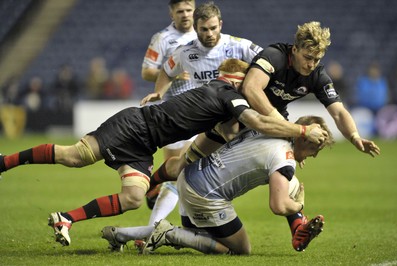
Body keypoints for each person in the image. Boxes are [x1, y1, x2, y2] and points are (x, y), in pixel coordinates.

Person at [0, 59, 327, 247]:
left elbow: (216, 138)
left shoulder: (225, 106)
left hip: (146, 145)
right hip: (133, 125)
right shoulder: (225, 93)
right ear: (236, 80)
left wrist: (162, 177)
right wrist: (299, 130)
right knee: (76, 156)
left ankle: (66, 219)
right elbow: (252, 118)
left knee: (132, 198)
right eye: (248, 83)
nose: (251, 90)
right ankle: (4, 162)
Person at [101, 115, 334, 255]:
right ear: (304, 138)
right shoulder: (284, 157)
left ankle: (119, 234)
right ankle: (170, 235)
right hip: (204, 195)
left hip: (190, 174)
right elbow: (278, 205)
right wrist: (297, 207)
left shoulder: (268, 126)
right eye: (316, 148)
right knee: (240, 248)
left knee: (198, 234)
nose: (315, 155)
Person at [141, 1, 263, 222]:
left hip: (220, 121)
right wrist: (160, 92)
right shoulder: (177, 47)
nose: (209, 33)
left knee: (188, 174)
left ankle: (160, 209)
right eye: (204, 29)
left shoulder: (237, 46)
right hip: (190, 117)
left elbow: (267, 63)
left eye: (213, 28)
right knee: (184, 174)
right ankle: (158, 218)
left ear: (220, 24)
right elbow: (161, 71)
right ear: (195, 28)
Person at [240, 21, 381, 158]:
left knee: (285, 165)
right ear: (295, 49)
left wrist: (355, 137)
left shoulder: (317, 76)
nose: (311, 65)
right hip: (240, 113)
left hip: (273, 120)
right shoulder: (274, 56)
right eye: (308, 57)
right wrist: (280, 122)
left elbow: (338, 112)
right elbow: (251, 88)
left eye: (317, 59)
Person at [140, 0, 197, 221]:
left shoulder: (203, 35)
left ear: (195, 10)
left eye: (188, 10)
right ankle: (157, 193)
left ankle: (158, 224)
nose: (185, 15)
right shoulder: (162, 38)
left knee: (187, 170)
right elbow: (146, 72)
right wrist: (170, 72)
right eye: (180, 11)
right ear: (171, 13)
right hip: (172, 112)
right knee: (175, 172)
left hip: (199, 110)